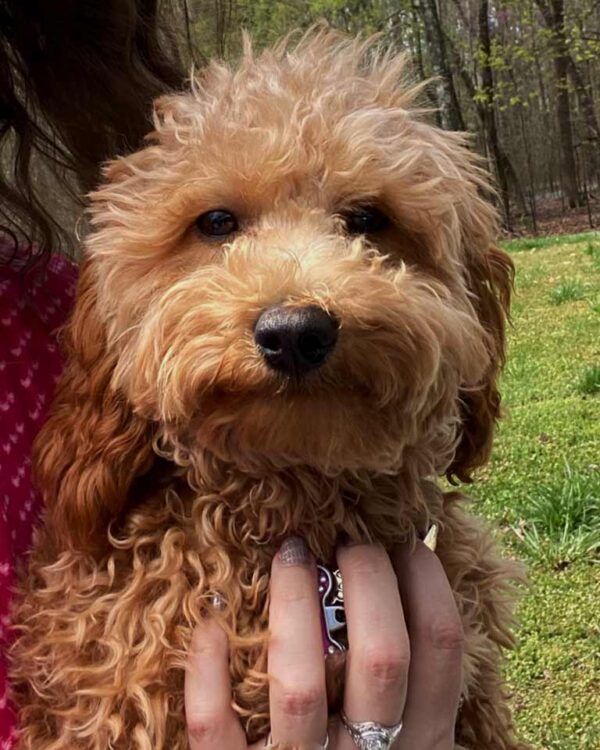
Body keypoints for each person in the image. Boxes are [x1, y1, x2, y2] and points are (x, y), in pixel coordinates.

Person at [0, 3, 463, 747]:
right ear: (104, 330)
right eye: (218, 225)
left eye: (368, 221)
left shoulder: (447, 561)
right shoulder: (105, 594)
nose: (295, 309)